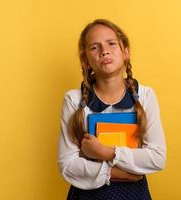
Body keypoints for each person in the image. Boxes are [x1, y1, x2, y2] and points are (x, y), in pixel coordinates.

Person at [58, 19, 166, 200]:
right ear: (85, 61)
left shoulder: (146, 96)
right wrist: (122, 172)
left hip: (133, 195)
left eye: (111, 43)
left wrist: (106, 152)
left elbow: (157, 157)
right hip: (86, 196)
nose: (104, 51)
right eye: (94, 47)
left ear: (126, 52)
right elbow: (68, 165)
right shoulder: (73, 100)